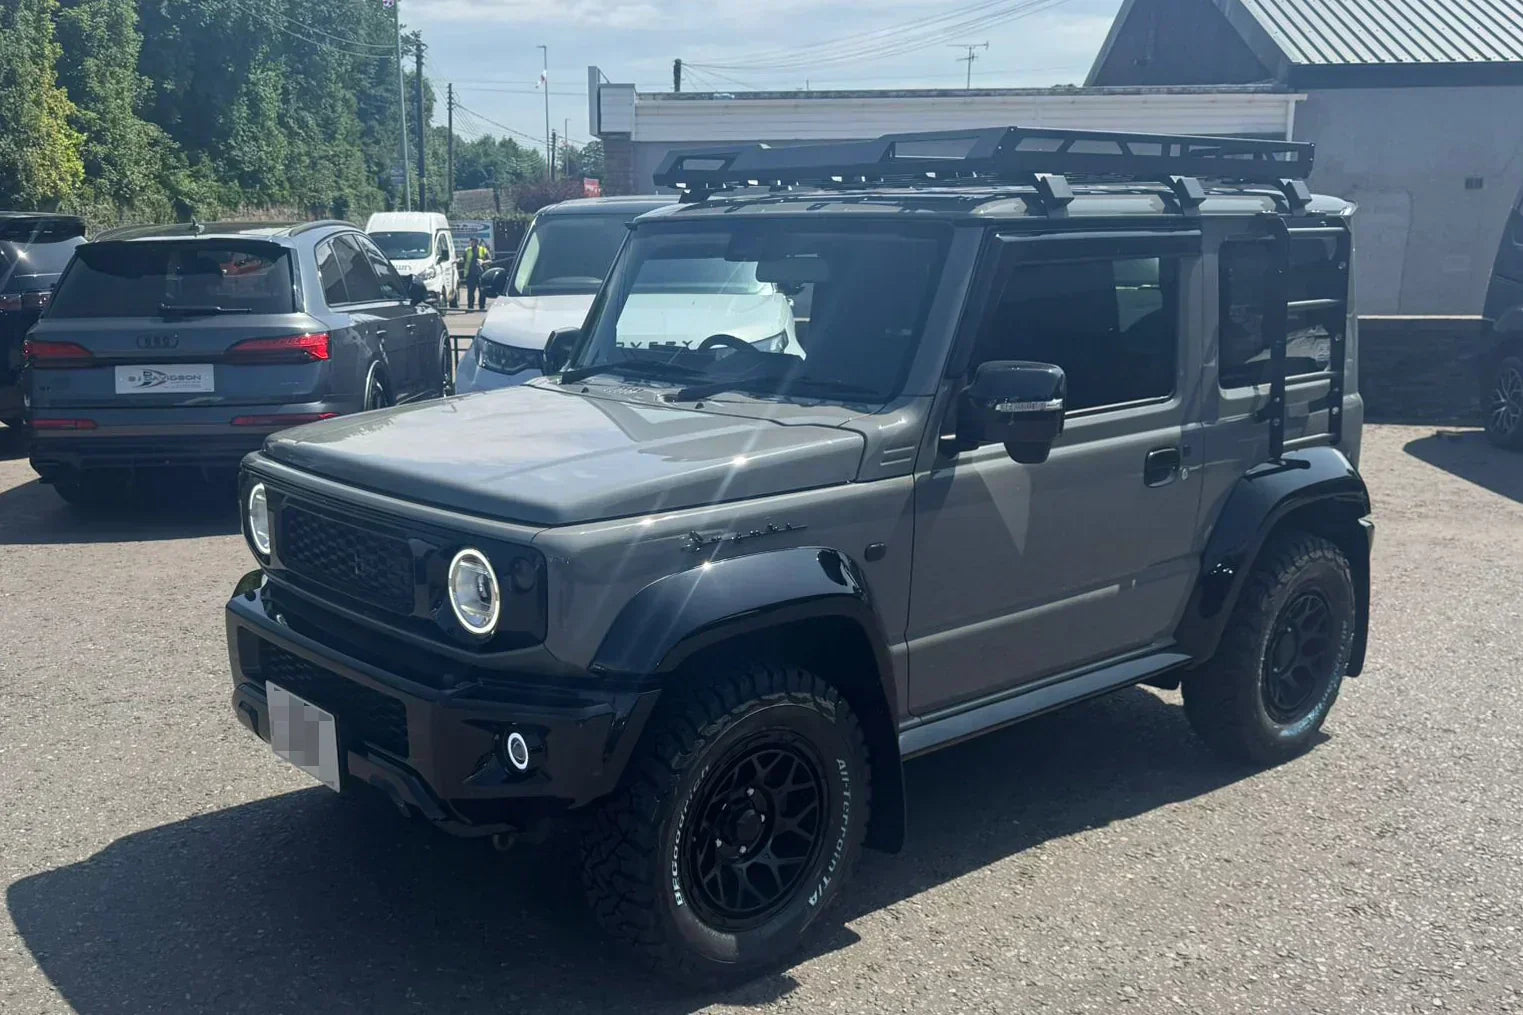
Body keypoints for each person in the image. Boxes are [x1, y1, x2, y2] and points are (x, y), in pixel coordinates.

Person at [464, 239, 490, 310]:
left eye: (473, 242)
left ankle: (482, 307)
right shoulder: (467, 250)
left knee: (482, 292)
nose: (471, 243)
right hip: (470, 275)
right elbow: (463, 259)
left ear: (476, 242)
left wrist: (483, 262)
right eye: (471, 242)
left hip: (481, 274)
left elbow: (490, 260)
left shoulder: (483, 250)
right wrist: (458, 260)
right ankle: (470, 307)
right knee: (470, 292)